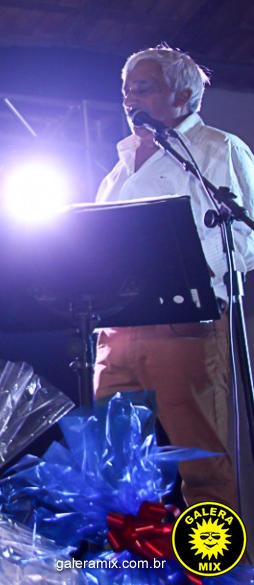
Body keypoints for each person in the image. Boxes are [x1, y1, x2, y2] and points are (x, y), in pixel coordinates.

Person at [93, 45, 254, 515]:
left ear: (183, 96)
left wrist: (178, 273)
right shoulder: (117, 171)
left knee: (202, 466)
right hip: (117, 330)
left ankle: (217, 557)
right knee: (116, 464)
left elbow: (243, 239)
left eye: (143, 88)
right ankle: (132, 555)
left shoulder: (217, 149)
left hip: (186, 324)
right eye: (126, 90)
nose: (130, 99)